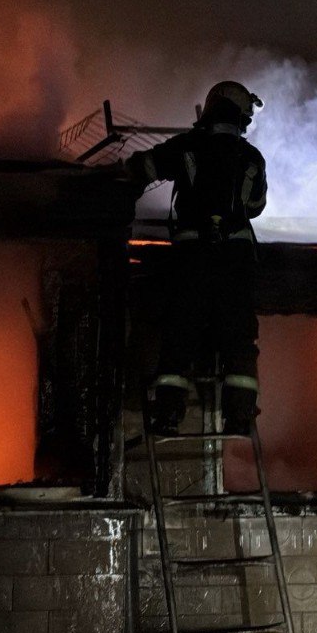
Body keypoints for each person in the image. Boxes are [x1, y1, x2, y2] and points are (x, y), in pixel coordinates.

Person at [125, 81, 268, 435]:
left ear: (211, 108)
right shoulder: (252, 157)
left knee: (180, 333)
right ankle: (239, 416)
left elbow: (144, 168)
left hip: (193, 259)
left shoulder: (187, 146)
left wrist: (116, 183)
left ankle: (168, 415)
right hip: (236, 262)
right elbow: (255, 206)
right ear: (242, 118)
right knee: (239, 338)